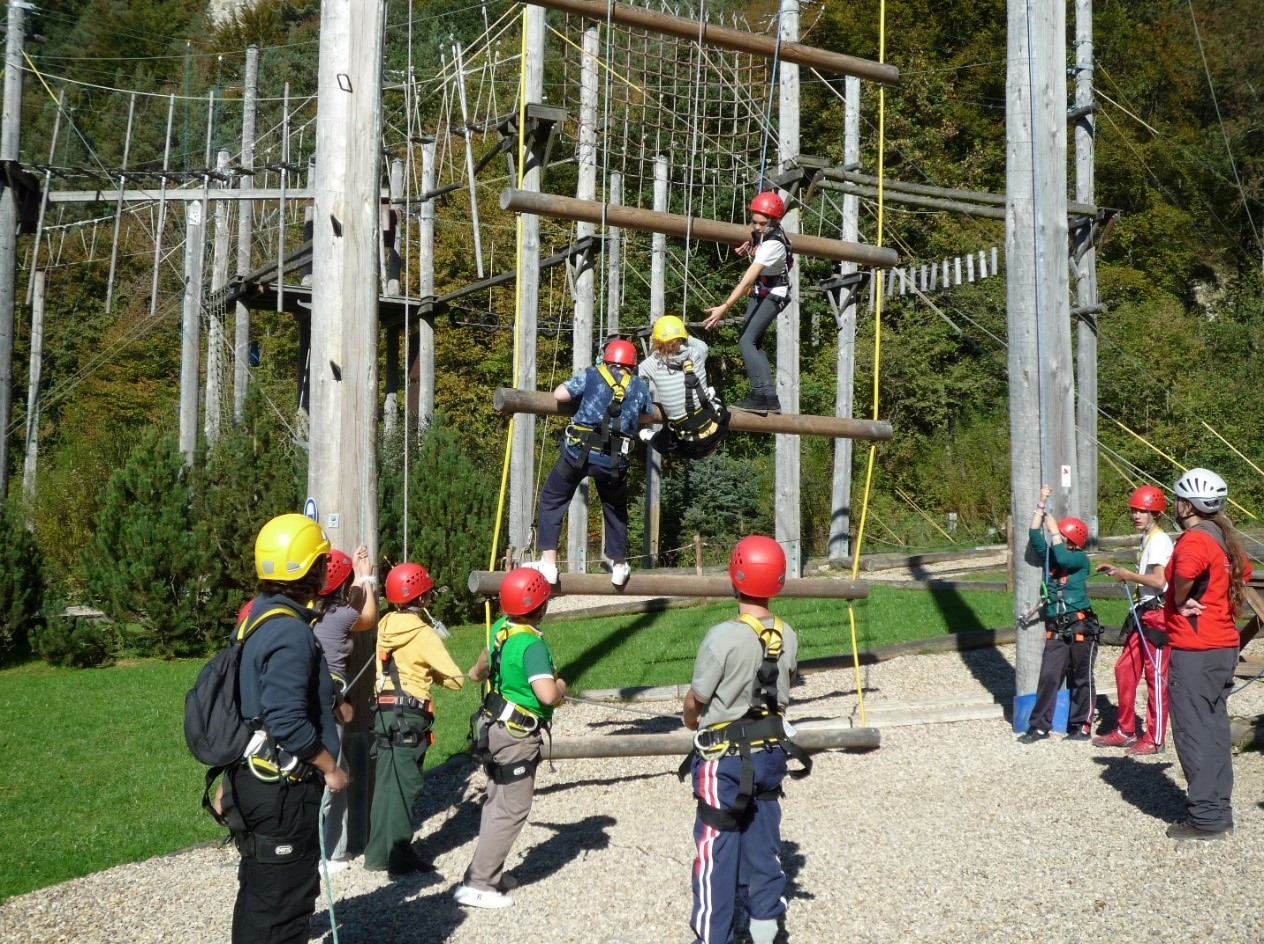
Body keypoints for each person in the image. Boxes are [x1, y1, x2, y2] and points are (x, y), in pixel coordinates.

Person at [682, 535, 809, 944]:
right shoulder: (787, 636)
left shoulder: (722, 637)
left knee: (716, 855)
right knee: (763, 852)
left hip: (725, 762)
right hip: (771, 756)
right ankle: (764, 933)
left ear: (735, 578)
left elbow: (696, 701)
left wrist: (691, 719)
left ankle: (711, 938)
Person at [229, 513, 347, 944]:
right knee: (284, 907)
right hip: (282, 789)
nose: (324, 570)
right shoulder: (290, 632)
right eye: (321, 562)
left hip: (253, 777)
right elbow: (284, 718)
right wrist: (330, 766)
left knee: (261, 896)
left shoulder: (255, 616)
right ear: (309, 570)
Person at [454, 567, 565, 909]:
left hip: (495, 727)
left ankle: (487, 871)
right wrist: (562, 687)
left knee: (496, 800)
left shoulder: (502, 629)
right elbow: (547, 694)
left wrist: (473, 674)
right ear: (541, 606)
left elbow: (483, 664)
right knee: (512, 807)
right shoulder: (531, 644)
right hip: (518, 734)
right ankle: (480, 883)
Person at [1163, 467, 1251, 840]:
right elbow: (1243, 572)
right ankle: (1219, 810)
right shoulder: (1223, 536)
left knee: (1192, 731)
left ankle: (1205, 818)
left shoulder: (1195, 540)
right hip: (1223, 644)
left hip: (1196, 648)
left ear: (1186, 504)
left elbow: (1183, 572)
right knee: (1214, 729)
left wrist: (1184, 599)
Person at [363, 562, 464, 874]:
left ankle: (377, 855)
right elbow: (456, 679)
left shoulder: (384, 624)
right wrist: (430, 673)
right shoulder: (424, 635)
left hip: (383, 711)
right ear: (422, 598)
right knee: (407, 785)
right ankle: (401, 857)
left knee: (385, 785)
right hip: (410, 714)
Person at [531, 338, 655, 587]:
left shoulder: (592, 374)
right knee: (615, 508)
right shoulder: (639, 386)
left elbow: (559, 394)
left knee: (553, 499)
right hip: (614, 460)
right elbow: (647, 414)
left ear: (606, 359)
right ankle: (619, 565)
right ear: (632, 364)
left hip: (578, 453)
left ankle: (549, 563)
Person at [1093, 486, 1173, 755]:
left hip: (1157, 616)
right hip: (1142, 613)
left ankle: (1155, 738)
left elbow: (1159, 581)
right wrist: (1117, 570)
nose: (1137, 515)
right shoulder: (1147, 538)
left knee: (1155, 677)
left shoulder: (1160, 540)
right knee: (1124, 669)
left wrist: (1126, 575)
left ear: (1155, 513)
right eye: (1135, 510)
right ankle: (1126, 730)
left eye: (1143, 511)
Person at [312, 544, 378, 866]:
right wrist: (367, 578)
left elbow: (346, 599)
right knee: (335, 774)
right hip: (331, 704)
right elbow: (367, 616)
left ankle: (316, 846)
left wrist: (354, 577)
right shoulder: (340, 616)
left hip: (309, 699)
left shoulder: (312, 609)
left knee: (332, 770)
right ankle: (331, 854)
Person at [1018, 485, 1098, 743]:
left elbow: (1064, 559)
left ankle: (1080, 726)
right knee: (1049, 677)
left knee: (1081, 677)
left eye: (1061, 537)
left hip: (1080, 626)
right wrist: (1041, 504)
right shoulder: (1053, 558)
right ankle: (1039, 726)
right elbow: (1033, 534)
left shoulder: (1079, 560)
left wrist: (1054, 530)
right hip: (1058, 627)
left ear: (1071, 541)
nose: (1056, 541)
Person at [702, 191, 794, 415]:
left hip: (774, 293)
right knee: (754, 342)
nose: (756, 227)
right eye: (753, 222)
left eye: (762, 223)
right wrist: (750, 244)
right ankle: (768, 397)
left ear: (775, 221)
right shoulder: (763, 234)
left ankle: (759, 395)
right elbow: (757, 239)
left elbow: (747, 280)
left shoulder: (774, 243)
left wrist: (725, 306)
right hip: (763, 290)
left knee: (746, 341)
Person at [636, 314, 730, 460]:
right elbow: (703, 346)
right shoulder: (695, 353)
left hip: (691, 447)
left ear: (656, 341)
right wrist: (684, 334)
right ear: (683, 337)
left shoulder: (652, 363)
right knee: (716, 398)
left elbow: (632, 377)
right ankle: (711, 400)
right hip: (718, 429)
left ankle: (656, 439)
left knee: (667, 443)